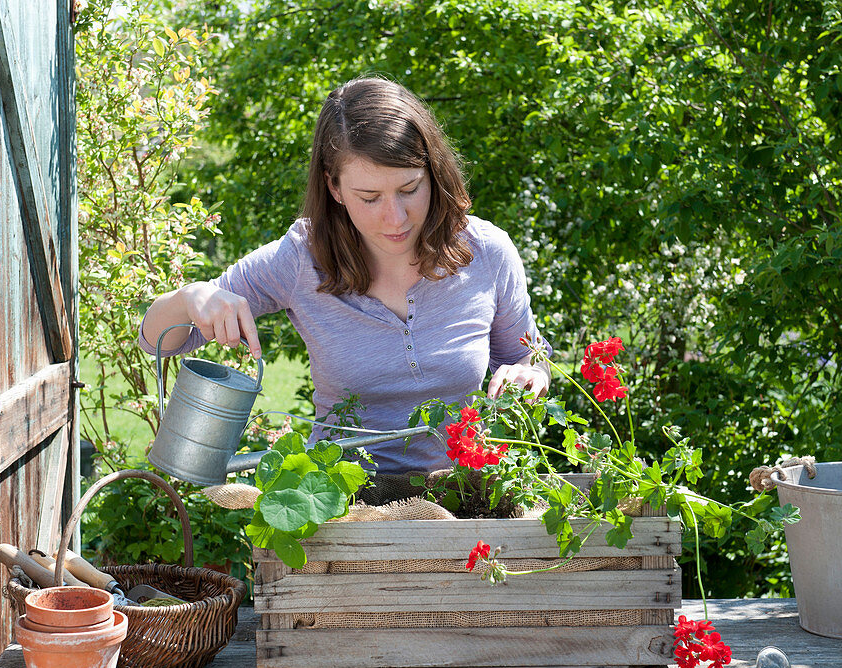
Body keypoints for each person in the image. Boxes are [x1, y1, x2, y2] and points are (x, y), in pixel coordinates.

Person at [140, 77, 551, 477]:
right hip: (342, 501)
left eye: (410, 188)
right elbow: (155, 342)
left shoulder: (486, 252)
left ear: (433, 172)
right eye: (369, 198)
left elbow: (527, 356)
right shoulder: (301, 258)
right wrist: (190, 297)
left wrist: (532, 374)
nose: (395, 217)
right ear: (334, 187)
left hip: (462, 494)